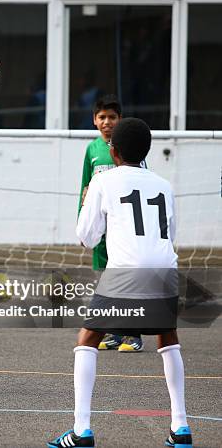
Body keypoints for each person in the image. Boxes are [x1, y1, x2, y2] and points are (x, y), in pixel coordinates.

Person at [48, 118, 192, 448]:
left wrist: (88, 202)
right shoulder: (164, 185)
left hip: (126, 271)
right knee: (168, 339)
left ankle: (81, 430)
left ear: (113, 152)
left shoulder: (104, 181)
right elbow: (171, 234)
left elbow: (86, 237)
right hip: (164, 268)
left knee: (88, 339)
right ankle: (181, 427)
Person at [78, 95, 144, 353]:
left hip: (121, 229)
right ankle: (116, 332)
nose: (107, 122)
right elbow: (84, 188)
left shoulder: (129, 149)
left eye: (112, 117)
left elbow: (139, 183)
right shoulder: (92, 150)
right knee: (105, 282)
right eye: (102, 117)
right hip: (99, 229)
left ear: (120, 121)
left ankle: (135, 334)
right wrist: (81, 220)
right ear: (94, 121)